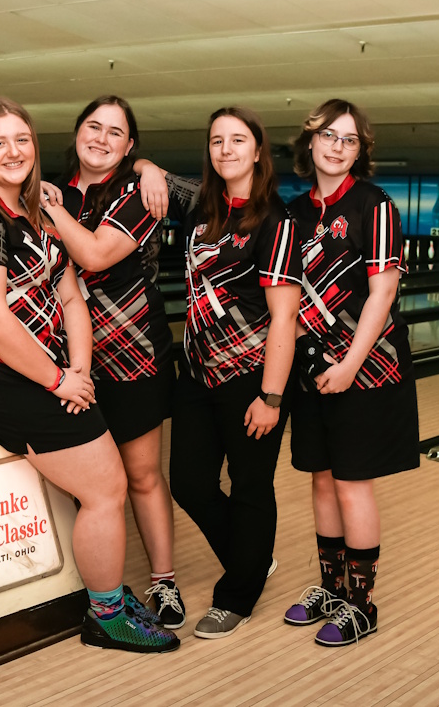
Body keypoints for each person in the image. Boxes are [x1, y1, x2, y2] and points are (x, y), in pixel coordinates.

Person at [0, 97, 179, 654]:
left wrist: (79, 369)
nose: (13, 151)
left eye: (22, 140)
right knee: (106, 488)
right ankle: (106, 615)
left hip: (46, 371)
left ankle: (105, 597)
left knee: (107, 486)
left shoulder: (38, 215)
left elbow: (71, 298)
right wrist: (56, 382)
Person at [41, 96, 184, 628]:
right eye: (93, 127)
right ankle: (96, 580)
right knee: (85, 476)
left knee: (143, 474)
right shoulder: (55, 185)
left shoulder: (138, 191)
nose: (101, 138)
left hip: (132, 350)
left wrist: (50, 209)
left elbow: (96, 255)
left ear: (129, 147)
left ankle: (164, 583)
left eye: (116, 133)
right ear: (77, 131)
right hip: (67, 354)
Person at [283, 99, 419, 647]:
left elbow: (383, 292)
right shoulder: (293, 214)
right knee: (320, 476)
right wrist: (314, 360)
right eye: (328, 136)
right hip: (315, 369)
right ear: (310, 142)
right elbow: (285, 296)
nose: (337, 146)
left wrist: (349, 365)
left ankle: (362, 604)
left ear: (360, 151)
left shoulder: (375, 205)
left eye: (350, 139)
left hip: (367, 367)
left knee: (351, 482)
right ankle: (332, 588)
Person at [163, 107, 301, 639]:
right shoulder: (204, 209)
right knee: (190, 484)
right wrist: (149, 166)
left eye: (237, 140)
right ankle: (251, 558)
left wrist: (271, 395)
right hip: (196, 373)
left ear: (258, 150)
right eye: (217, 140)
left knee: (250, 486)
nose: (226, 149)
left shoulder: (275, 221)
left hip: (252, 377)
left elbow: (284, 316)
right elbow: (153, 178)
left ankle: (237, 594)